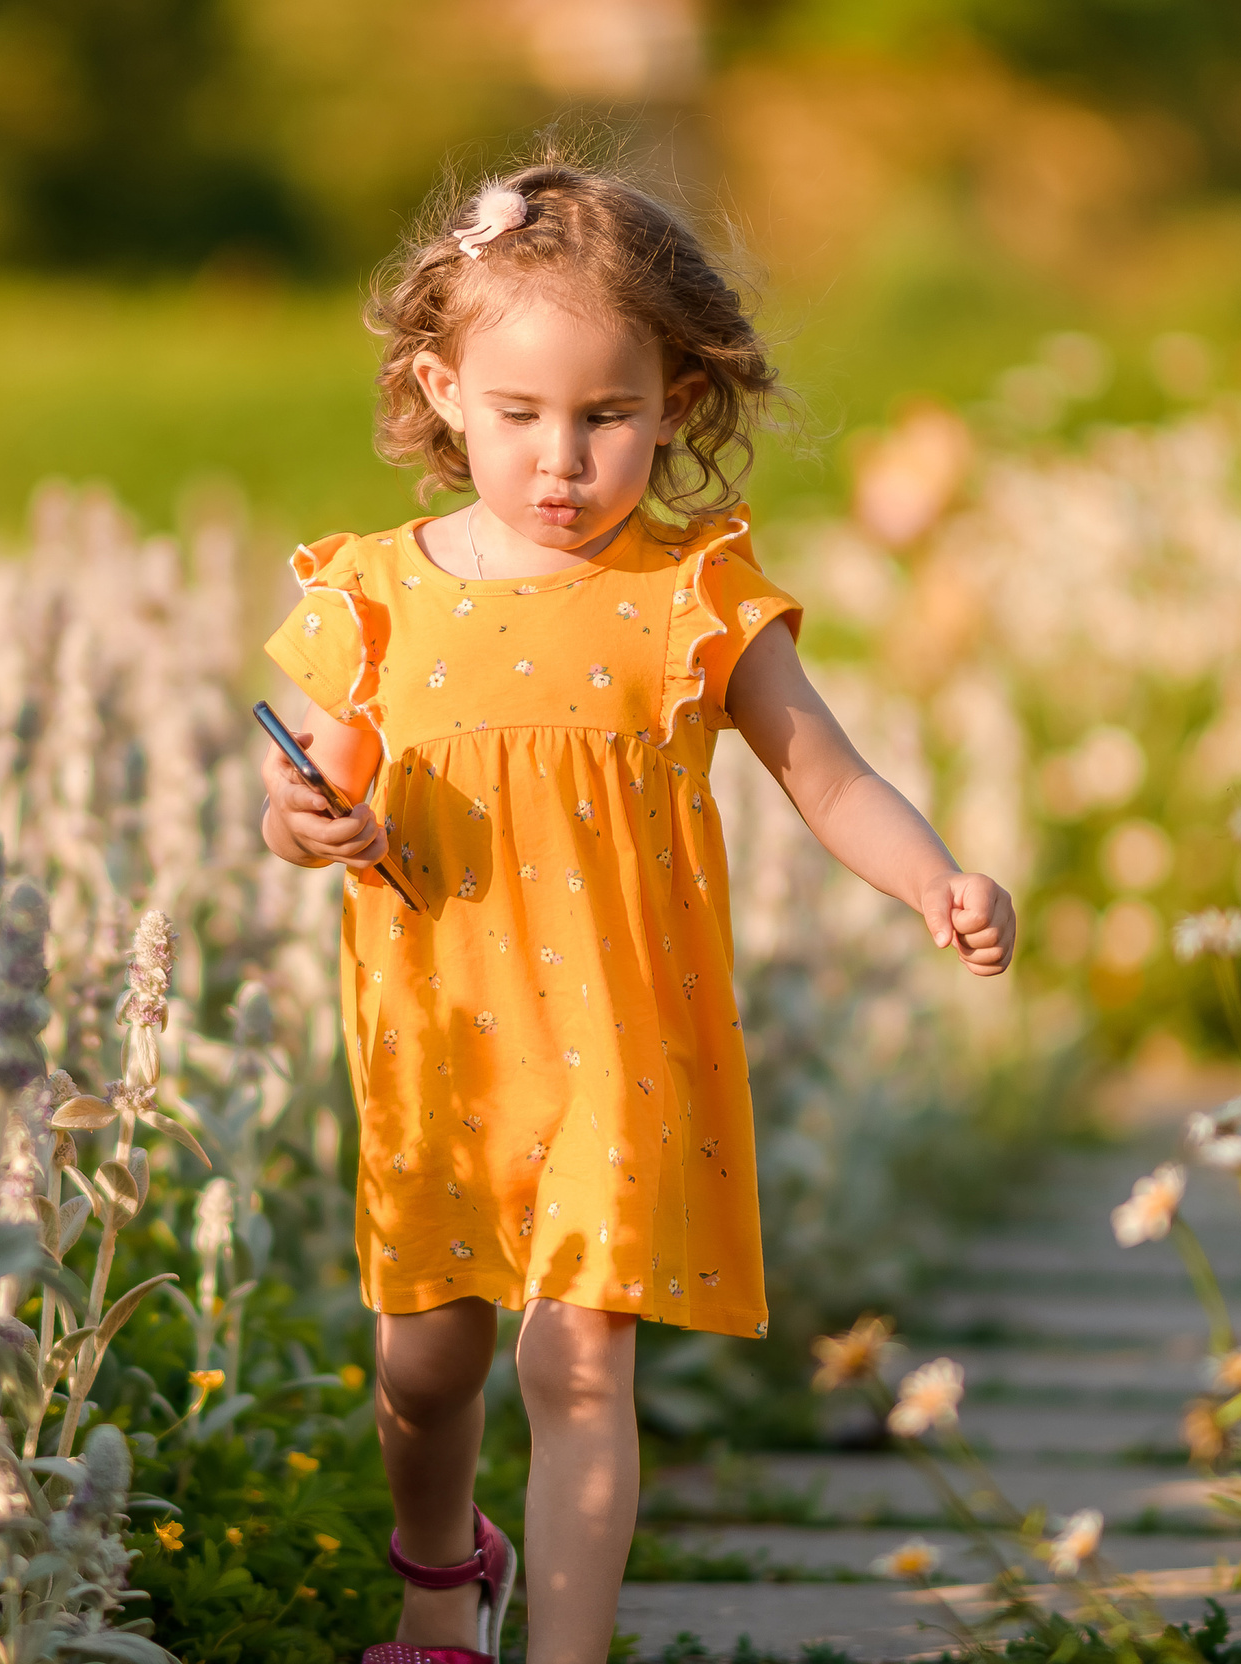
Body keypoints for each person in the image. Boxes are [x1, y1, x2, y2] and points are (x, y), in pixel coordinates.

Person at [257, 152, 1016, 1664]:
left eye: (607, 418)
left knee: (579, 1361)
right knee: (429, 1361)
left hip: (621, 1040)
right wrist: (303, 817)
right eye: (522, 416)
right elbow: (295, 794)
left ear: (675, 403)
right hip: (443, 1050)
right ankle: (437, 1572)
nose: (562, 461)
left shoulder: (697, 596)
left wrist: (937, 874)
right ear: (442, 390)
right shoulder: (371, 596)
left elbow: (830, 773)